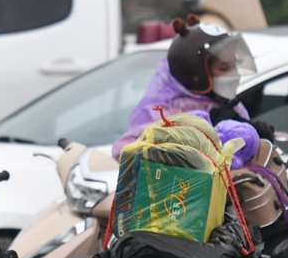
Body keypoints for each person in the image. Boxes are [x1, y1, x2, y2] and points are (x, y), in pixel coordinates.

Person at [112, 16, 265, 158]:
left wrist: (254, 136)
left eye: (234, 65)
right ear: (195, 70)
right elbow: (126, 153)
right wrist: (196, 132)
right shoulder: (162, 112)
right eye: (224, 68)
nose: (235, 73)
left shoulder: (226, 104)